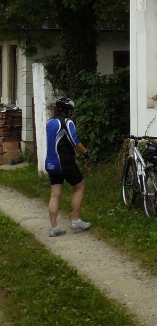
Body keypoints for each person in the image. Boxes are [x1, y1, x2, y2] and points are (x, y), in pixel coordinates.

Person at [45, 98, 91, 237]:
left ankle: (54, 228)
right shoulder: (67, 122)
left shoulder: (50, 122)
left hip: (51, 162)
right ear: (68, 110)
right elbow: (74, 141)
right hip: (65, 162)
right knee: (79, 187)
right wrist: (86, 153)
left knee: (55, 194)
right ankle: (76, 220)